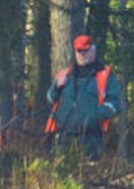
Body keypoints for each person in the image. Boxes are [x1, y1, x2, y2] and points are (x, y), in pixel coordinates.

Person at [45, 34, 122, 162]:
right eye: (79, 51)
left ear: (93, 50)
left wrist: (94, 116)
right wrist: (57, 87)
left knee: (89, 175)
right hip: (64, 136)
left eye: (85, 50)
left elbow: (115, 103)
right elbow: (50, 100)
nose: (82, 54)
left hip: (91, 138)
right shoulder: (65, 75)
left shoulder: (105, 74)